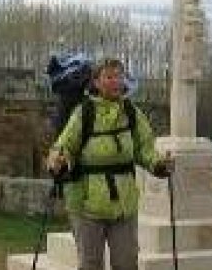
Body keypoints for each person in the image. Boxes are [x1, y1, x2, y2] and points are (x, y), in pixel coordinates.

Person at [46, 58, 175, 270]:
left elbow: (145, 149)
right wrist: (57, 160)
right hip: (86, 202)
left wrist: (159, 164)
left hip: (124, 203)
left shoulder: (132, 113)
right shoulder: (84, 112)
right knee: (90, 264)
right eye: (109, 76)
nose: (116, 81)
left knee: (126, 263)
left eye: (119, 76)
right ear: (96, 82)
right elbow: (65, 145)